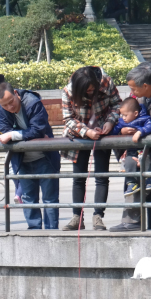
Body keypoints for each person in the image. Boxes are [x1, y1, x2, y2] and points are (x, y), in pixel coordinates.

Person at [109, 63, 151, 232]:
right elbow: (124, 119)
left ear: (145, 85)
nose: (132, 92)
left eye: (134, 88)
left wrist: (145, 160)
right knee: (142, 185)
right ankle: (140, 224)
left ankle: (136, 223)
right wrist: (123, 129)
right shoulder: (140, 99)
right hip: (145, 153)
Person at [61, 65, 121, 231]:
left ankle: (98, 216)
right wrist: (86, 131)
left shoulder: (106, 82)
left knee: (101, 176)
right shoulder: (68, 91)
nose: (89, 93)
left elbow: (117, 105)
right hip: (79, 134)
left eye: (92, 90)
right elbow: (68, 119)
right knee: (78, 177)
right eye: (86, 91)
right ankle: (77, 217)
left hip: (103, 132)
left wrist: (110, 121)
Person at [0, 82, 61, 230]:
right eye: (5, 105)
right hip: (22, 160)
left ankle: (52, 233)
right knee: (28, 199)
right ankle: (34, 233)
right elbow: (4, 129)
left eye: (11, 101)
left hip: (45, 158)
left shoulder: (32, 103)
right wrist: (17, 134)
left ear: (16, 93)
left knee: (50, 199)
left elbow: (38, 130)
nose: (9, 107)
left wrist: (13, 134)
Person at [109, 97, 151, 196]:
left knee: (146, 160)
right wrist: (120, 131)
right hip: (131, 150)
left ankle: (149, 180)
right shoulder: (122, 122)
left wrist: (140, 132)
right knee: (129, 162)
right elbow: (114, 131)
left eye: (125, 115)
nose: (123, 117)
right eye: (122, 115)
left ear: (135, 113)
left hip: (144, 149)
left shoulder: (144, 118)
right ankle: (131, 183)